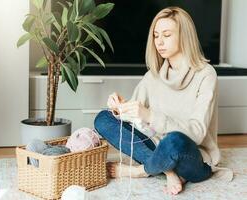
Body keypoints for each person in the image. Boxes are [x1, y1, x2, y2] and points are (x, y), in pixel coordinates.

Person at [94, 7, 233, 196]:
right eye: (156, 35)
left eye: (166, 35)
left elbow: (197, 133)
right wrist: (119, 106)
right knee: (103, 118)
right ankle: (168, 171)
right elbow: (134, 120)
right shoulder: (153, 76)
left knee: (173, 140)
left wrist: (150, 115)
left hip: (193, 157)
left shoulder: (206, 74)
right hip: (157, 147)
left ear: (184, 36)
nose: (159, 42)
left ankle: (140, 171)